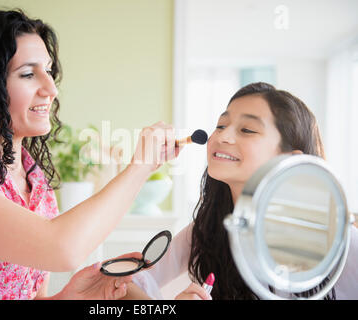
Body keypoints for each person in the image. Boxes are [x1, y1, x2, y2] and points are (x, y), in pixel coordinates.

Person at [0, 9, 179, 300]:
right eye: (28, 74)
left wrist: (72, 297)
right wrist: (140, 167)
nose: (51, 88)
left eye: (48, 71)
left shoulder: (35, 181)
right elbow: (61, 248)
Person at [125, 82, 358, 300]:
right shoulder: (207, 229)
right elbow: (124, 285)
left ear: (289, 159)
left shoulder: (336, 239)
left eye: (247, 129)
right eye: (221, 125)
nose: (221, 136)